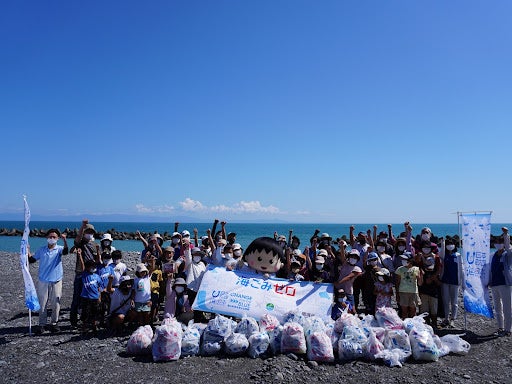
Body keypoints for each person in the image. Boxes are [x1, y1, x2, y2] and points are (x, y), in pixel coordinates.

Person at [28, 228, 69, 334]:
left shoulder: (59, 249)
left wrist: (65, 241)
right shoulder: (42, 250)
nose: (52, 239)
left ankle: (54, 323)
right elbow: (32, 260)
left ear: (57, 238)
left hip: (56, 280)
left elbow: (65, 252)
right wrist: (27, 251)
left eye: (54, 237)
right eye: (50, 237)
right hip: (43, 280)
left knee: (56, 302)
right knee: (42, 303)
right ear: (47, 238)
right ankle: (42, 324)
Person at [70, 219, 100, 327]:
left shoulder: (94, 244)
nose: (89, 234)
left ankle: (88, 321)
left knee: (89, 299)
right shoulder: (80, 242)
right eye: (88, 232)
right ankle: (73, 321)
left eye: (91, 232)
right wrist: (82, 226)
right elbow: (77, 238)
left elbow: (97, 259)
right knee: (77, 297)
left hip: (91, 274)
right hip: (80, 273)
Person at [489, 227, 512, 337]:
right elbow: (490, 270)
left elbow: (508, 247)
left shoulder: (508, 254)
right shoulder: (493, 255)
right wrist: (488, 281)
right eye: (496, 242)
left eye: (500, 242)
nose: (498, 244)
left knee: (507, 307)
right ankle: (500, 327)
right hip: (494, 284)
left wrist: (506, 234)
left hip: (505, 284)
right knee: (498, 307)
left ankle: (508, 329)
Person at [439, 236, 463, 328]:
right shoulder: (444, 255)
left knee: (454, 301)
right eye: (448, 244)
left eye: (451, 244)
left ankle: (453, 318)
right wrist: (442, 243)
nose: (450, 246)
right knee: (445, 301)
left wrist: (462, 281)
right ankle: (446, 318)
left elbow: (462, 269)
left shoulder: (458, 256)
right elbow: (441, 254)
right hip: (445, 281)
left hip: (455, 281)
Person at [395, 252, 423, 319]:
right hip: (403, 292)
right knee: (404, 311)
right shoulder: (400, 269)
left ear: (410, 260)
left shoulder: (416, 269)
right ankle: (405, 324)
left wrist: (421, 275)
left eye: (405, 259)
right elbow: (397, 282)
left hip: (413, 292)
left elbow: (420, 283)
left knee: (413, 311)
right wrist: (397, 293)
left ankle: (413, 325)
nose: (403, 261)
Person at [334, 248, 363, 313]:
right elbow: (343, 256)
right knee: (339, 305)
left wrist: (338, 283)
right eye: (352, 256)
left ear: (357, 259)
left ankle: (354, 318)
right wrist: (341, 246)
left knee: (352, 308)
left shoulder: (357, 269)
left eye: (355, 257)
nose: (353, 258)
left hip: (348, 291)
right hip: (339, 289)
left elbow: (349, 277)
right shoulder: (345, 264)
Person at [79, 258, 103, 333]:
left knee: (95, 313)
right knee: (85, 313)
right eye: (91, 267)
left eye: (94, 267)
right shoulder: (84, 275)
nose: (93, 268)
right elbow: (82, 266)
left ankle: (94, 326)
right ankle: (84, 327)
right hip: (85, 298)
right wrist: (80, 256)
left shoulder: (97, 276)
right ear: (87, 268)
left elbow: (100, 288)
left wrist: (100, 297)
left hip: (95, 298)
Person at [418, 257, 441, 329]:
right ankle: (426, 324)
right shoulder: (422, 272)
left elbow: (439, 284)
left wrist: (434, 278)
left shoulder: (436, 273)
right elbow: (420, 284)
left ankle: (434, 324)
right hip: (424, 293)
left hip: (433, 294)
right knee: (424, 310)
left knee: (434, 310)